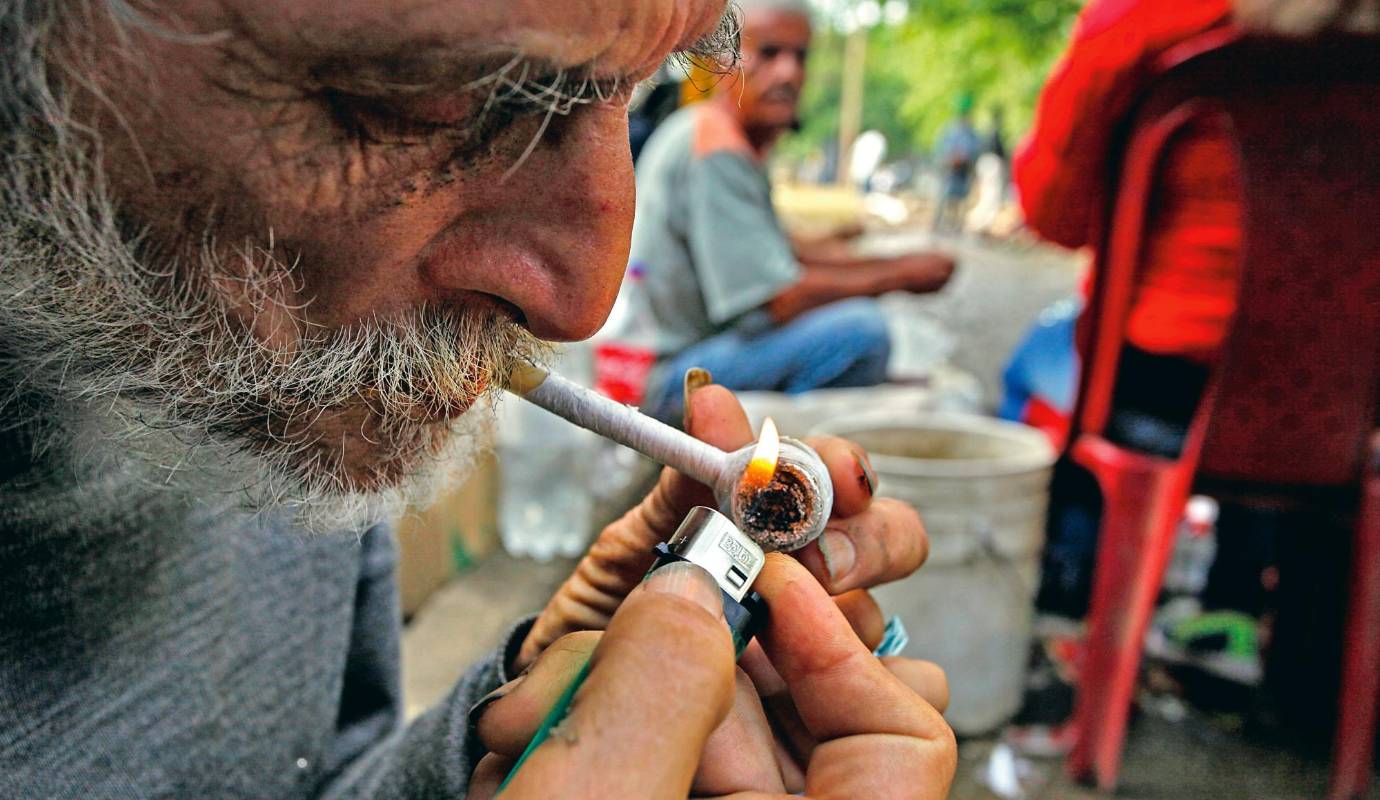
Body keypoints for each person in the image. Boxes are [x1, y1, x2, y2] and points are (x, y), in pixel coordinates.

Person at [0, 2, 957, 798]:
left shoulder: (274, 390)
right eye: (427, 100)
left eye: (633, 89)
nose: (583, 299)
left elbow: (311, 781)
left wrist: (514, 736)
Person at [630, 0, 955, 425]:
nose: (789, 73)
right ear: (723, 60)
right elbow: (777, 298)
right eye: (769, 53)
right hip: (673, 376)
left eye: (799, 57)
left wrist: (878, 260)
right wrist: (899, 275)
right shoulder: (716, 147)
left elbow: (777, 252)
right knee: (864, 331)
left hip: (686, 358)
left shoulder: (716, 135)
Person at [930, 92, 981, 234]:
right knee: (944, 198)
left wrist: (966, 160)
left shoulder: (971, 133)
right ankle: (938, 226)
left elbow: (975, 150)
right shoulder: (949, 130)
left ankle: (956, 227)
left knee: (960, 200)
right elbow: (940, 150)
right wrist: (949, 159)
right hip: (949, 170)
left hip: (963, 171)